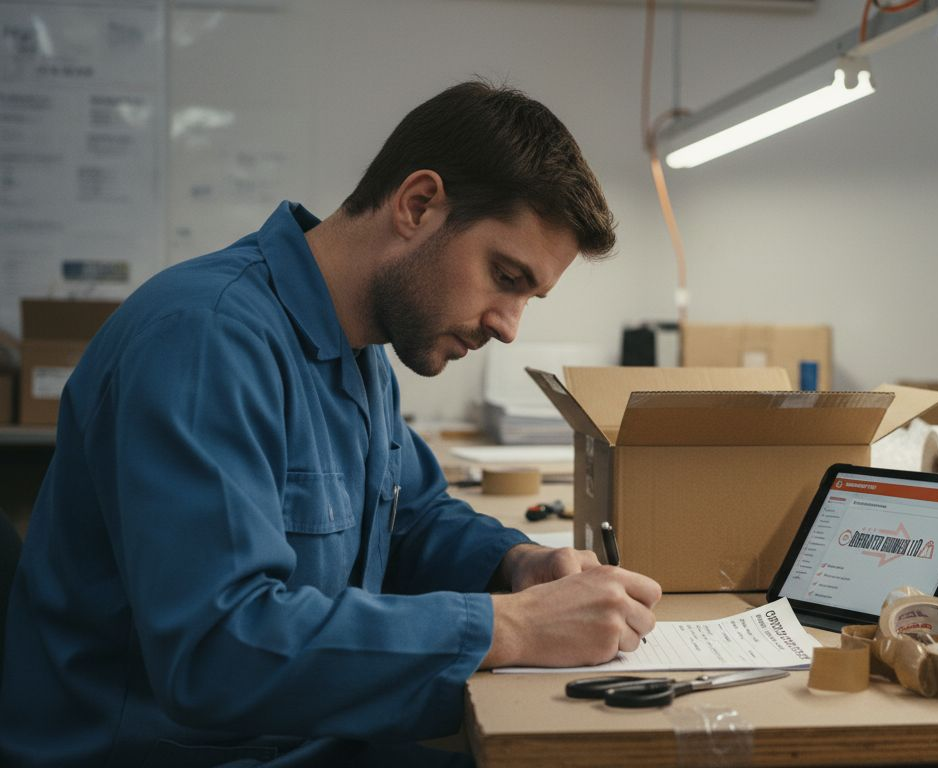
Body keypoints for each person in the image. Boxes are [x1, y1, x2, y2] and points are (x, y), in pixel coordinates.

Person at [0, 81, 661, 767]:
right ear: (418, 205)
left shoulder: (361, 352)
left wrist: (519, 564)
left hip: (302, 736)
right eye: (504, 275)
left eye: (529, 296)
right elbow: (218, 651)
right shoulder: (204, 340)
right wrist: (511, 628)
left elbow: (412, 517)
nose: (507, 324)